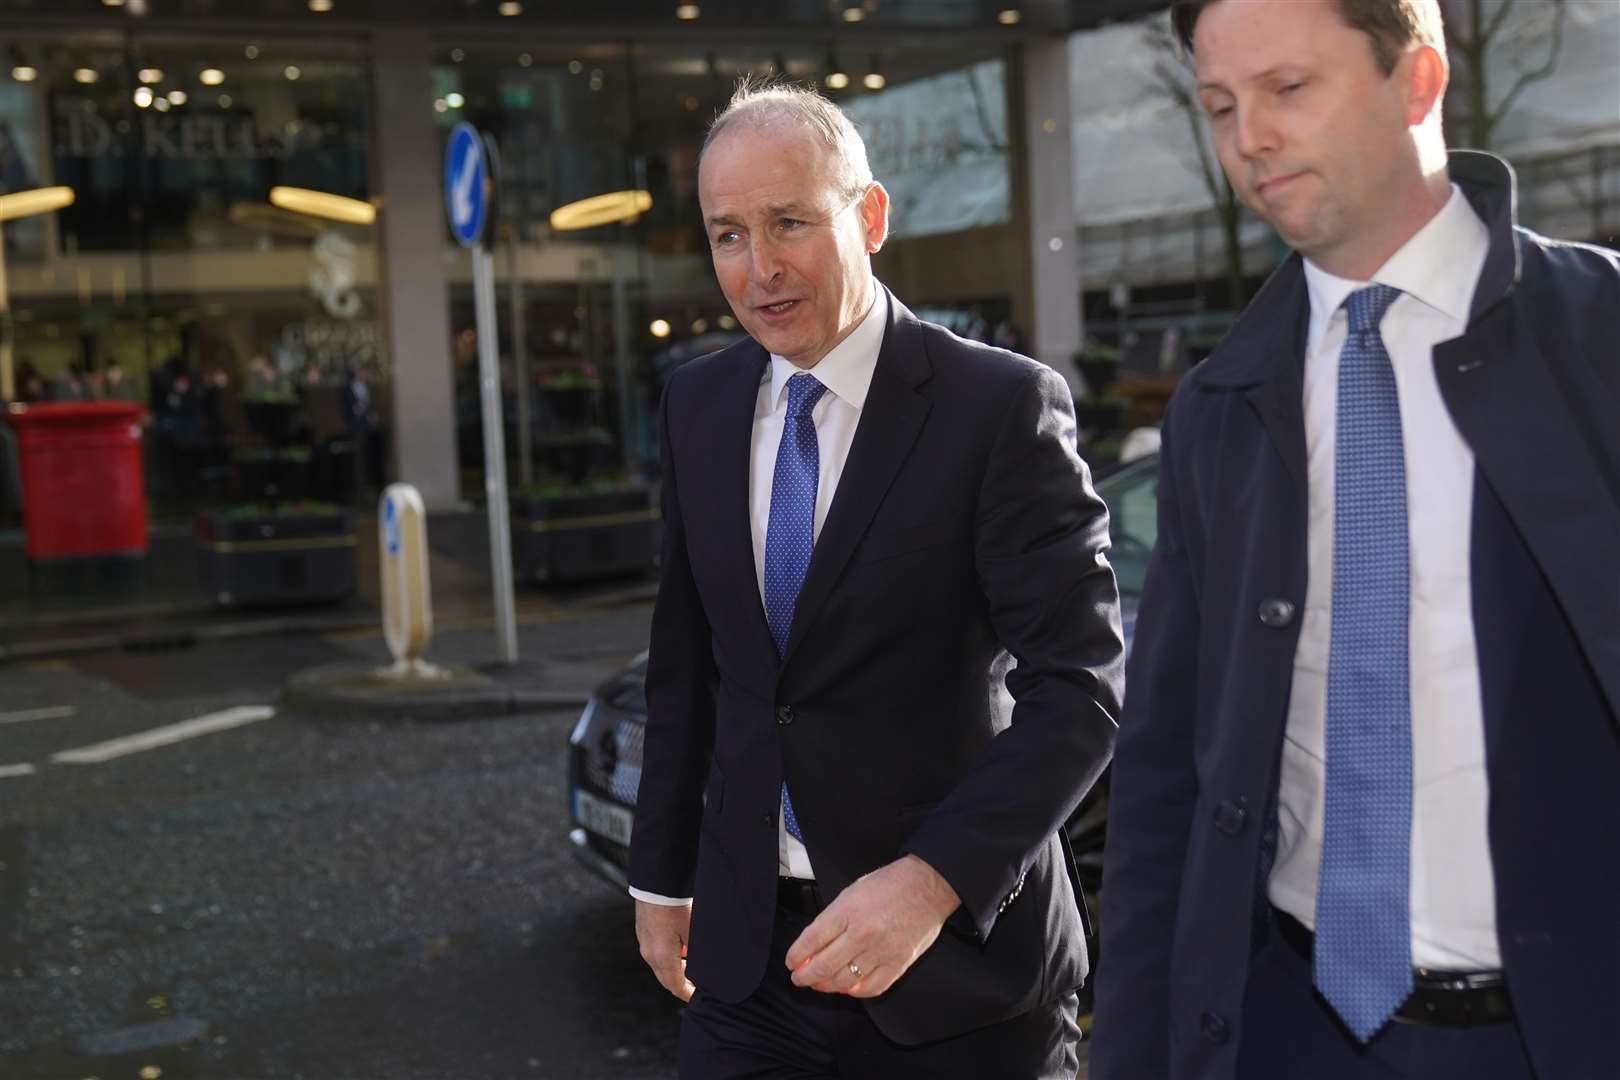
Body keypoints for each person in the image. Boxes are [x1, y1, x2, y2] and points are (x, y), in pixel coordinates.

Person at [1090, 2, 1620, 1079]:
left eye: (1289, 89)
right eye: (1220, 106)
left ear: (1418, 81)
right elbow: (1162, 788)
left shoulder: (1601, 341)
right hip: (1286, 1027)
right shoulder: (1218, 409)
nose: (1250, 138)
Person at [629, 81, 1124, 1079]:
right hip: (748, 969)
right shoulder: (698, 404)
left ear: (871, 216)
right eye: (728, 235)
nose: (759, 268)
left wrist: (934, 883)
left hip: (957, 975)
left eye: (789, 224)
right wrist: (658, 876)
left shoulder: (997, 406)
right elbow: (689, 666)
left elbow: (1080, 688)